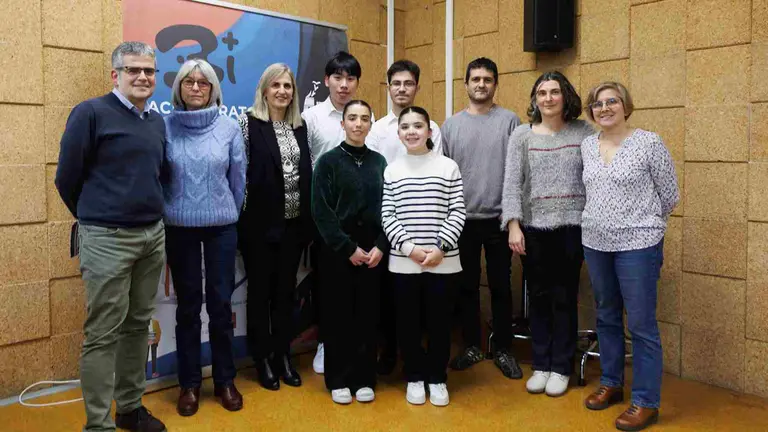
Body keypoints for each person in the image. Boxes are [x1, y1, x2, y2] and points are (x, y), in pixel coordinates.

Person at [55, 41, 167, 432]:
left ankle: (131, 408)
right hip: (106, 239)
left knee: (138, 326)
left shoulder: (155, 121)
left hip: (152, 237)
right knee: (103, 333)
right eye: (133, 70)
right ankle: (99, 424)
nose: (142, 77)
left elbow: (160, 176)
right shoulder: (91, 113)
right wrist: (97, 221)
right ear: (115, 75)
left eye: (149, 71)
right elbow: (66, 178)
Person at [580, 82, 679, 431]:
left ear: (625, 106)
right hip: (595, 242)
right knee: (606, 316)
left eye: (612, 101)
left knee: (640, 324)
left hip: (638, 245)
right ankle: (611, 382)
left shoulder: (648, 142)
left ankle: (645, 402)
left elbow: (669, 194)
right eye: (597, 103)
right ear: (591, 110)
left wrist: (646, 225)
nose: (604, 107)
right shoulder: (587, 146)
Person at [501, 71, 594, 397]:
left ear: (565, 96)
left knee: (564, 298)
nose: (548, 98)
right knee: (538, 298)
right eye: (542, 92)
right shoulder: (522, 136)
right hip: (533, 229)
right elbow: (511, 182)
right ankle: (540, 365)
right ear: (535, 99)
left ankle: (561, 367)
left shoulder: (584, 132)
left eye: (554, 91)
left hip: (573, 228)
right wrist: (513, 224)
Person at [162, 59, 246, 416]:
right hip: (179, 226)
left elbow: (239, 178)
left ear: (213, 89)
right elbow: (160, 177)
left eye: (203, 83)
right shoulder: (164, 127)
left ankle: (225, 380)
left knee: (221, 305)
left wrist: (228, 210)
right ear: (178, 88)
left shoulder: (228, 128)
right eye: (189, 82)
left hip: (221, 226)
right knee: (188, 309)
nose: (196, 87)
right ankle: (189, 384)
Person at [441, 57, 523, 379]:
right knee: (466, 286)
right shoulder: (451, 126)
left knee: (502, 286)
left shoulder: (510, 121)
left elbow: (516, 172)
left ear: (495, 84)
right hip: (462, 219)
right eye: (475, 78)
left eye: (487, 79)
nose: (481, 84)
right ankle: (472, 346)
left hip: (500, 220)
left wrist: (514, 217)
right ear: (466, 84)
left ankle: (503, 349)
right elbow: (443, 174)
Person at [237, 63, 314, 391]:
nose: (283, 91)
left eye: (288, 86)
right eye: (276, 85)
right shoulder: (248, 123)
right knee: (259, 296)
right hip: (258, 228)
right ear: (264, 89)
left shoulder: (300, 126)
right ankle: (263, 359)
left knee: (285, 296)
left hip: (293, 228)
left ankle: (284, 355)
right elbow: (238, 177)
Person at [381, 106, 465, 406]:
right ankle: (415, 377)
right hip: (404, 264)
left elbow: (457, 211)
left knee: (440, 323)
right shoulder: (392, 170)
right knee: (408, 324)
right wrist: (411, 249)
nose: (412, 131)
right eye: (406, 127)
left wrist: (440, 248)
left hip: (444, 262)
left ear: (430, 131)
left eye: (419, 126)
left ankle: (437, 378)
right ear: (399, 133)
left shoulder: (448, 166)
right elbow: (388, 216)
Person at [366, 59, 442, 375]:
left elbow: (437, 174)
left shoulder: (433, 128)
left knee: (422, 297)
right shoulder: (378, 128)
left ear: (416, 87)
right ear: (388, 87)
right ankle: (389, 351)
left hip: (424, 222)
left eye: (408, 83)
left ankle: (421, 356)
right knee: (388, 292)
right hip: (387, 220)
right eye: (396, 83)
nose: (401, 89)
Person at [311, 100, 388, 405]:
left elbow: (390, 208)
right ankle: (339, 379)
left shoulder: (380, 162)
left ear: (371, 124)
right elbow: (321, 211)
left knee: (367, 316)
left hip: (373, 252)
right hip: (337, 250)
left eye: (364, 119)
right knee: (337, 316)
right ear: (342, 124)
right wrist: (347, 248)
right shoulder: (328, 162)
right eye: (352, 118)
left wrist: (381, 245)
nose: (358, 124)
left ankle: (364, 377)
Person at [302, 51, 372, 375]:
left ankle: (356, 343)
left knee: (356, 285)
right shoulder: (312, 117)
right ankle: (325, 342)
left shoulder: (363, 116)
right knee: (326, 282)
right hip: (323, 216)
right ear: (327, 80)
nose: (344, 85)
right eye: (338, 78)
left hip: (358, 217)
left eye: (351, 78)